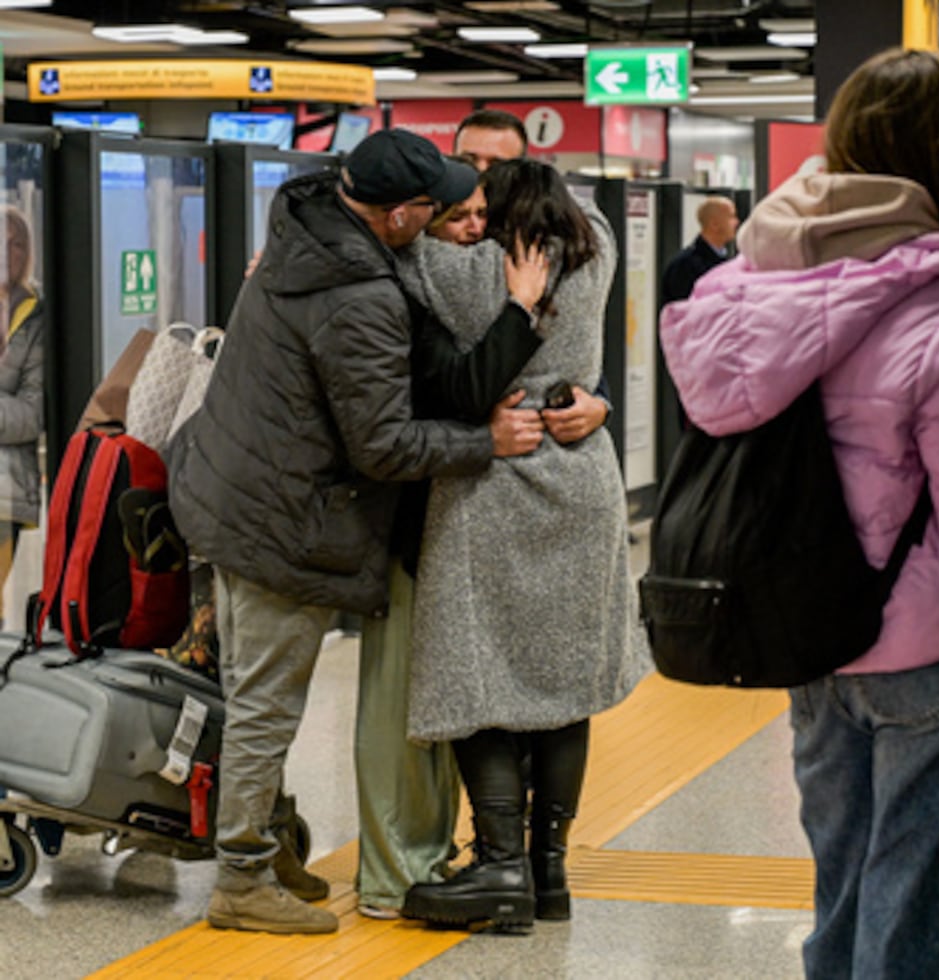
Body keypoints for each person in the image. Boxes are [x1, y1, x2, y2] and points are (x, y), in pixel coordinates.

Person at [167, 128, 548, 936]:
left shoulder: (304, 224)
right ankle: (240, 877)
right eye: (435, 207)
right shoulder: (360, 296)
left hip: (227, 489)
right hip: (284, 519)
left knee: (247, 692)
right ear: (399, 213)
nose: (451, 217)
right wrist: (489, 442)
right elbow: (385, 446)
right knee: (267, 701)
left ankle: (262, 847)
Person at [659, 48, 939, 979]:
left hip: (807, 632)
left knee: (842, 884)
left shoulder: (748, 293)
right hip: (931, 652)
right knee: (923, 903)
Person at [399, 159, 652, 930]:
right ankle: (550, 871)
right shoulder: (598, 249)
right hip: (582, 483)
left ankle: (499, 862)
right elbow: (595, 218)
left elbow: (404, 253)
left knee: (480, 681)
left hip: (490, 487)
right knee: (564, 683)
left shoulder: (457, 270)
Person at [353, 160, 551, 920]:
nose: (479, 230)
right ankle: (398, 874)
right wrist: (520, 309)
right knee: (404, 703)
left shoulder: (414, 274)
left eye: (485, 216)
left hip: (431, 513)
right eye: (463, 216)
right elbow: (460, 393)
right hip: (401, 517)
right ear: (414, 214)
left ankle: (473, 862)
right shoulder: (407, 288)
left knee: (435, 697)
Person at [455, 109, 612, 444]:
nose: (480, 174)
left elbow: (577, 334)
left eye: (495, 165)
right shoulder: (434, 229)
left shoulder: (560, 240)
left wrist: (599, 403)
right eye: (468, 160)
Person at [0, 205, 43, 629]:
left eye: (16, 244)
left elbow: (33, 413)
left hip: (6, 492)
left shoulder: (35, 317)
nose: (6, 253)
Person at [660, 194, 739, 304]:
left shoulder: (727, 262)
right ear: (714, 224)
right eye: (731, 217)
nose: (736, 222)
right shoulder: (684, 265)